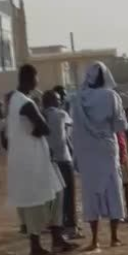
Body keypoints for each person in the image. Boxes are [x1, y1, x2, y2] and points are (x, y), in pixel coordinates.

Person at [5, 65, 74, 255]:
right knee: (38, 200)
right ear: (30, 78)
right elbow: (44, 128)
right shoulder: (26, 102)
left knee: (54, 194)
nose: (38, 81)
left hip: (27, 158)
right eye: (37, 77)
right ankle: (37, 246)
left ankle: (56, 238)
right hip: (33, 159)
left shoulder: (13, 100)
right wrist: (37, 130)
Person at [71, 62, 128, 251]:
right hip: (107, 148)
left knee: (90, 193)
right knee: (113, 189)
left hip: (86, 150)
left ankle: (94, 239)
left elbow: (75, 129)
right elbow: (120, 125)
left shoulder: (78, 98)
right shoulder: (111, 96)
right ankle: (114, 237)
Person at [43, 90, 79, 239]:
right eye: (58, 99)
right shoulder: (61, 114)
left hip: (48, 161)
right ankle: (70, 226)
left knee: (53, 197)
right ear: (53, 101)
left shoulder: (40, 115)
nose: (60, 101)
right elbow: (72, 125)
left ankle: (55, 225)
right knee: (69, 194)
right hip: (64, 159)